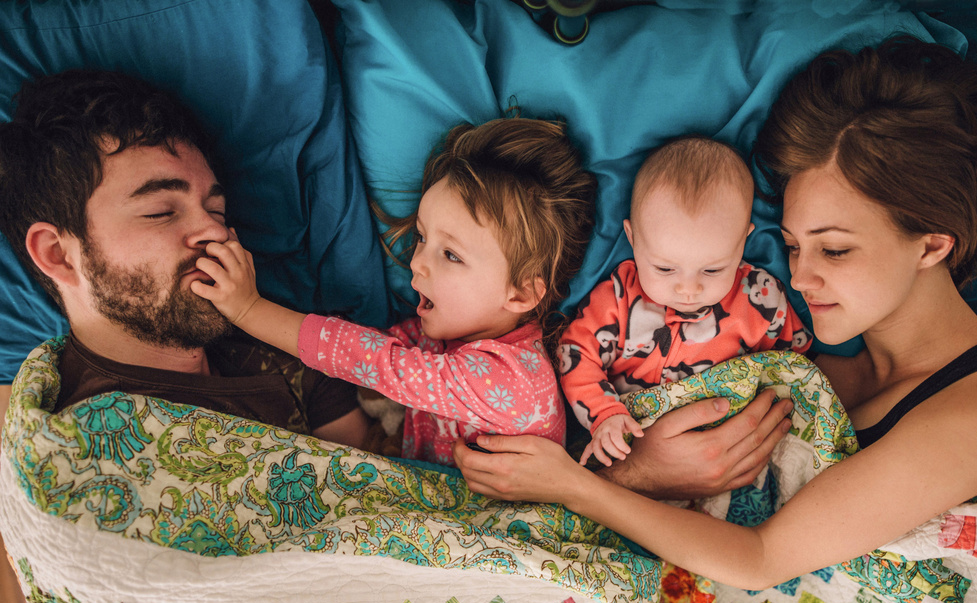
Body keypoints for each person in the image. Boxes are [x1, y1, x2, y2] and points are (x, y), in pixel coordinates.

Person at [454, 36, 977, 591]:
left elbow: (761, 559)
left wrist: (574, 486)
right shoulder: (807, 362)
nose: (799, 278)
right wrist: (640, 472)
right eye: (794, 246)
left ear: (931, 245)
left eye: (835, 249)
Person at [192, 118, 598, 466]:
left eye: (451, 255)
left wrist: (248, 310)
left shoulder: (511, 379)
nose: (417, 262)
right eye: (421, 237)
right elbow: (399, 344)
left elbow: (377, 361)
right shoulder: (458, 332)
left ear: (521, 294)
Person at [0, 68, 370, 446]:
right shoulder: (69, 445)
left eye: (217, 210)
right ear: (58, 254)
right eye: (160, 211)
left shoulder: (286, 349)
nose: (216, 232)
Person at [559, 135, 812, 466]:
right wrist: (605, 413)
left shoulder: (760, 297)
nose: (688, 289)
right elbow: (575, 354)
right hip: (632, 445)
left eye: (712, 269)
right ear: (633, 239)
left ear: (742, 243)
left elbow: (798, 365)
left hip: (733, 446)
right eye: (665, 268)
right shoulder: (618, 299)